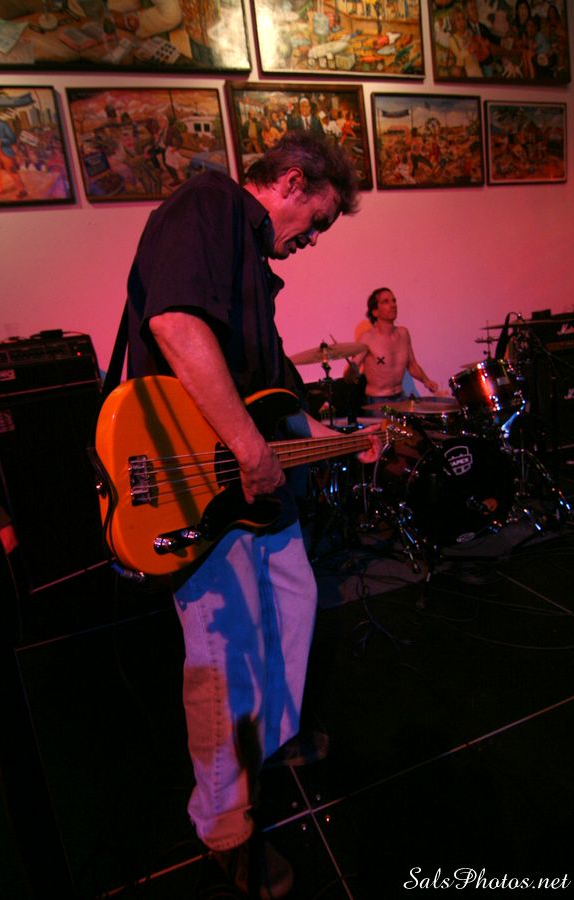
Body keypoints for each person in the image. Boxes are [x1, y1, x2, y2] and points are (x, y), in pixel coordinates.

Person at [123, 130, 378, 897]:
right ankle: (224, 827)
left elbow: (272, 402)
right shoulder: (208, 202)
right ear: (293, 181)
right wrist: (244, 442)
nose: (313, 239)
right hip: (198, 478)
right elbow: (175, 324)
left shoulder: (253, 267)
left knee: (295, 599)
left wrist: (341, 438)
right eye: (319, 219)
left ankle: (270, 736)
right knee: (223, 649)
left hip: (252, 483)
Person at [345, 287, 438, 414]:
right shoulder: (367, 338)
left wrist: (426, 380)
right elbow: (350, 374)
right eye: (386, 302)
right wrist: (352, 371)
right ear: (375, 312)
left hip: (400, 396)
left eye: (394, 301)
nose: (393, 305)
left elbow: (412, 365)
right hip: (377, 401)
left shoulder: (403, 333)